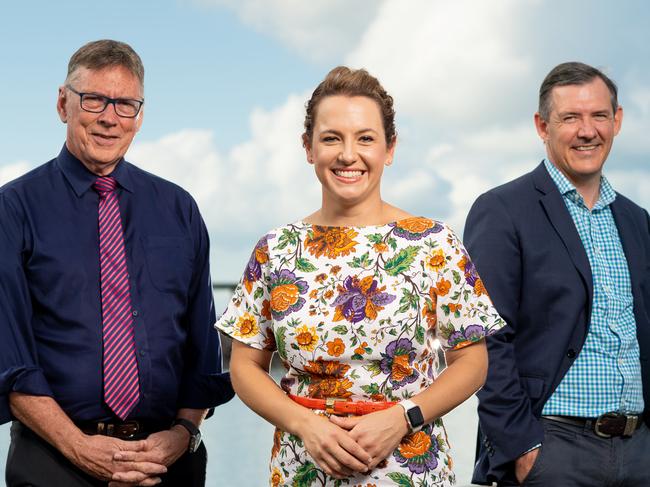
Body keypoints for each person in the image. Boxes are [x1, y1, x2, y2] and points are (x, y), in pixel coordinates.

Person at [216, 66, 505, 486]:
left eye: (365, 138)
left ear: (389, 148)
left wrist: (404, 417)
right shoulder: (275, 249)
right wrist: (306, 425)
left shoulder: (434, 243)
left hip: (409, 465)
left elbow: (472, 362)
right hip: (303, 467)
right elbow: (245, 367)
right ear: (308, 147)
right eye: (331, 137)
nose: (347, 154)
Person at [0, 39, 234, 487]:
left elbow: (202, 350)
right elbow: (9, 359)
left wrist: (184, 433)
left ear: (140, 116)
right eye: (94, 100)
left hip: (166, 463)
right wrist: (78, 447)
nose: (110, 117)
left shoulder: (179, 209)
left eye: (126, 104)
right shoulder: (13, 209)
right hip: (54, 464)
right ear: (62, 104)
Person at [465, 61, 650, 486]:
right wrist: (523, 448)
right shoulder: (504, 210)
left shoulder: (636, 219)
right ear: (542, 125)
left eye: (599, 115)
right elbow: (486, 338)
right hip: (553, 449)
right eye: (570, 118)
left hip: (639, 450)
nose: (588, 131)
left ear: (617, 121)